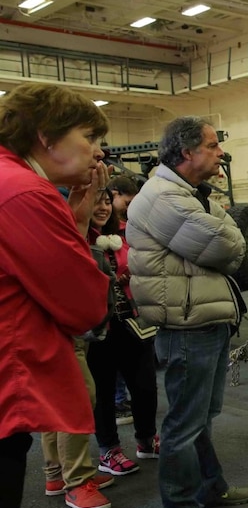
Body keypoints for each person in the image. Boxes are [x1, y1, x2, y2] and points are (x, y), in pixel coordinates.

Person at [0, 83, 112, 508]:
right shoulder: (25, 192)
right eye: (89, 136)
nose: (97, 151)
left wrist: (76, 218)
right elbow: (83, 304)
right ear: (45, 137)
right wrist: (80, 226)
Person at [126, 116, 248, 508]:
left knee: (202, 417)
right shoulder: (163, 197)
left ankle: (210, 486)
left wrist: (228, 231)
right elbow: (227, 244)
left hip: (203, 319)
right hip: (186, 325)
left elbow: (231, 233)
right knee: (184, 423)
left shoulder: (190, 194)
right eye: (213, 145)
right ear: (186, 152)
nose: (220, 152)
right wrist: (229, 233)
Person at [85, 189, 160, 475]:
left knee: (144, 386)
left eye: (106, 201)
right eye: (96, 202)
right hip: (99, 328)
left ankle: (146, 439)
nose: (103, 207)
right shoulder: (78, 237)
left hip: (133, 322)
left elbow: (143, 262)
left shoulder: (124, 233)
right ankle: (109, 451)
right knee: (103, 391)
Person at [107, 175, 141, 426]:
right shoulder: (107, 232)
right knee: (114, 360)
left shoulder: (128, 227)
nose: (129, 208)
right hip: (112, 307)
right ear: (114, 194)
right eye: (127, 202)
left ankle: (127, 398)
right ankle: (118, 401)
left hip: (131, 304)